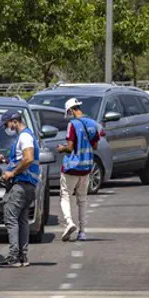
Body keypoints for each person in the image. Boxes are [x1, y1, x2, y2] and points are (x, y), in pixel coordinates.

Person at [0, 110, 39, 268]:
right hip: (28, 185)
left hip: (21, 184)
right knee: (22, 220)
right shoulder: (26, 136)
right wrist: (7, 160)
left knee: (11, 219)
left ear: (14, 121)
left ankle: (14, 256)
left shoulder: (25, 136)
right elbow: (21, 159)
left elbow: (28, 158)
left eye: (7, 124)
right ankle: (22, 256)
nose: (7, 128)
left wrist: (11, 173)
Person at [57, 98, 101, 242]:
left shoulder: (73, 124)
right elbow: (95, 146)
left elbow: (70, 147)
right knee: (82, 200)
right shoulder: (93, 124)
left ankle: (69, 222)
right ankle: (82, 232)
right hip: (86, 167)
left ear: (70, 110)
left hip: (72, 167)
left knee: (65, 195)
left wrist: (61, 148)